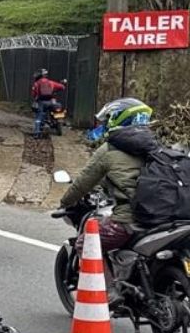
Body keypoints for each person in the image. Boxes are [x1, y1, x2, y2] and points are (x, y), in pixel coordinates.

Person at [59, 98, 156, 273]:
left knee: (85, 243)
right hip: (160, 217)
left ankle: (109, 291)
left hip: (130, 219)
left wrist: (65, 202)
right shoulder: (156, 147)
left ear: (119, 118)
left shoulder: (110, 149)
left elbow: (83, 183)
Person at [31, 69, 67, 138]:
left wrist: (36, 98)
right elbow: (62, 87)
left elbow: (34, 93)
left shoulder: (36, 83)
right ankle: (55, 122)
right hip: (51, 101)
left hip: (42, 102)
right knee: (56, 108)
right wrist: (62, 84)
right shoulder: (51, 82)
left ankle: (37, 132)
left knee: (39, 116)